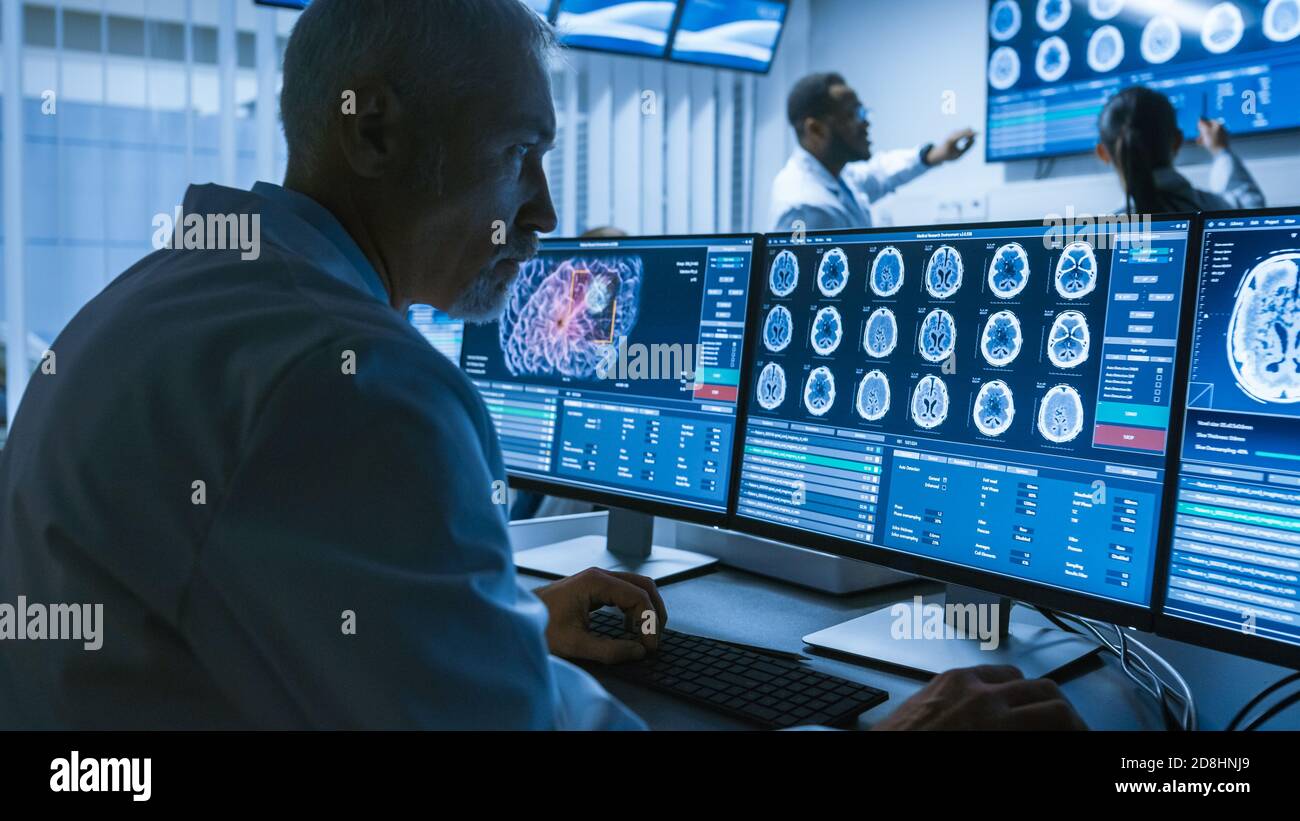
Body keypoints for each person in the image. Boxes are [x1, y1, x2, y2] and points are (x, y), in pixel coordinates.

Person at [0, 0, 1083, 731]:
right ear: (371, 129)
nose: (548, 213)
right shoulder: (344, 382)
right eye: (520, 153)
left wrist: (503, 633)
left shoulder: (168, 296)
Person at [769, 72, 976, 232]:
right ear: (816, 129)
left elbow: (880, 173)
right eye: (853, 114)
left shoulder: (837, 175)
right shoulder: (805, 207)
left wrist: (934, 155)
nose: (866, 122)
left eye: (863, 112)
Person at [1097, 86, 1265, 215]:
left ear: (1103, 153)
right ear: (1177, 141)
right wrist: (1221, 151)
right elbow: (1250, 207)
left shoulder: (1101, 237)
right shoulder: (1215, 211)